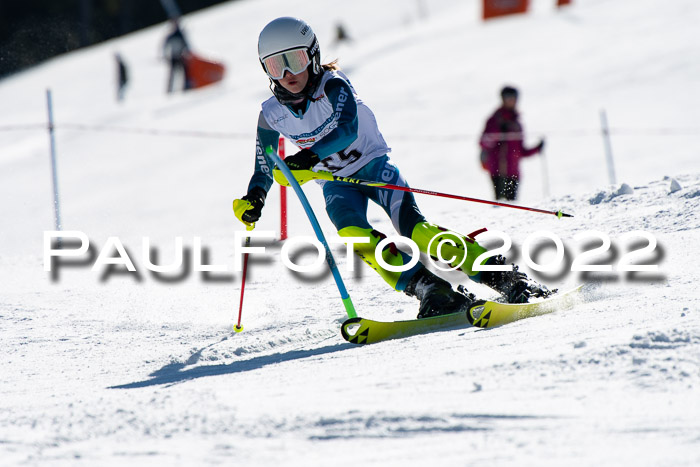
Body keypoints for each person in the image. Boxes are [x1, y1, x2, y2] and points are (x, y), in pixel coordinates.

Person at [234, 18, 552, 318]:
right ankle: (432, 289)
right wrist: (255, 198)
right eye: (277, 65)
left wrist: (308, 158)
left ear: (314, 56)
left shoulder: (333, 85)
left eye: (296, 59)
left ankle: (503, 276)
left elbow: (348, 129)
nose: (288, 72)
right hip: (336, 184)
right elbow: (264, 164)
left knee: (417, 232)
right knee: (355, 236)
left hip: (374, 169)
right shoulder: (271, 115)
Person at [479, 86, 544, 200]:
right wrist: (499, 131)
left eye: (514, 97)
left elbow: (521, 151)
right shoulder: (495, 119)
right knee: (500, 203)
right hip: (499, 170)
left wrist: (537, 149)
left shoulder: (517, 123)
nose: (511, 100)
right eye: (508, 97)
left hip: (514, 172)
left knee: (512, 206)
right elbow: (484, 143)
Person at [162, 18, 191, 93]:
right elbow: (165, 46)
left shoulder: (180, 35)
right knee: (173, 74)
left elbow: (186, 46)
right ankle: (170, 90)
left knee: (185, 72)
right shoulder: (172, 35)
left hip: (181, 56)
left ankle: (186, 87)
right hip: (174, 57)